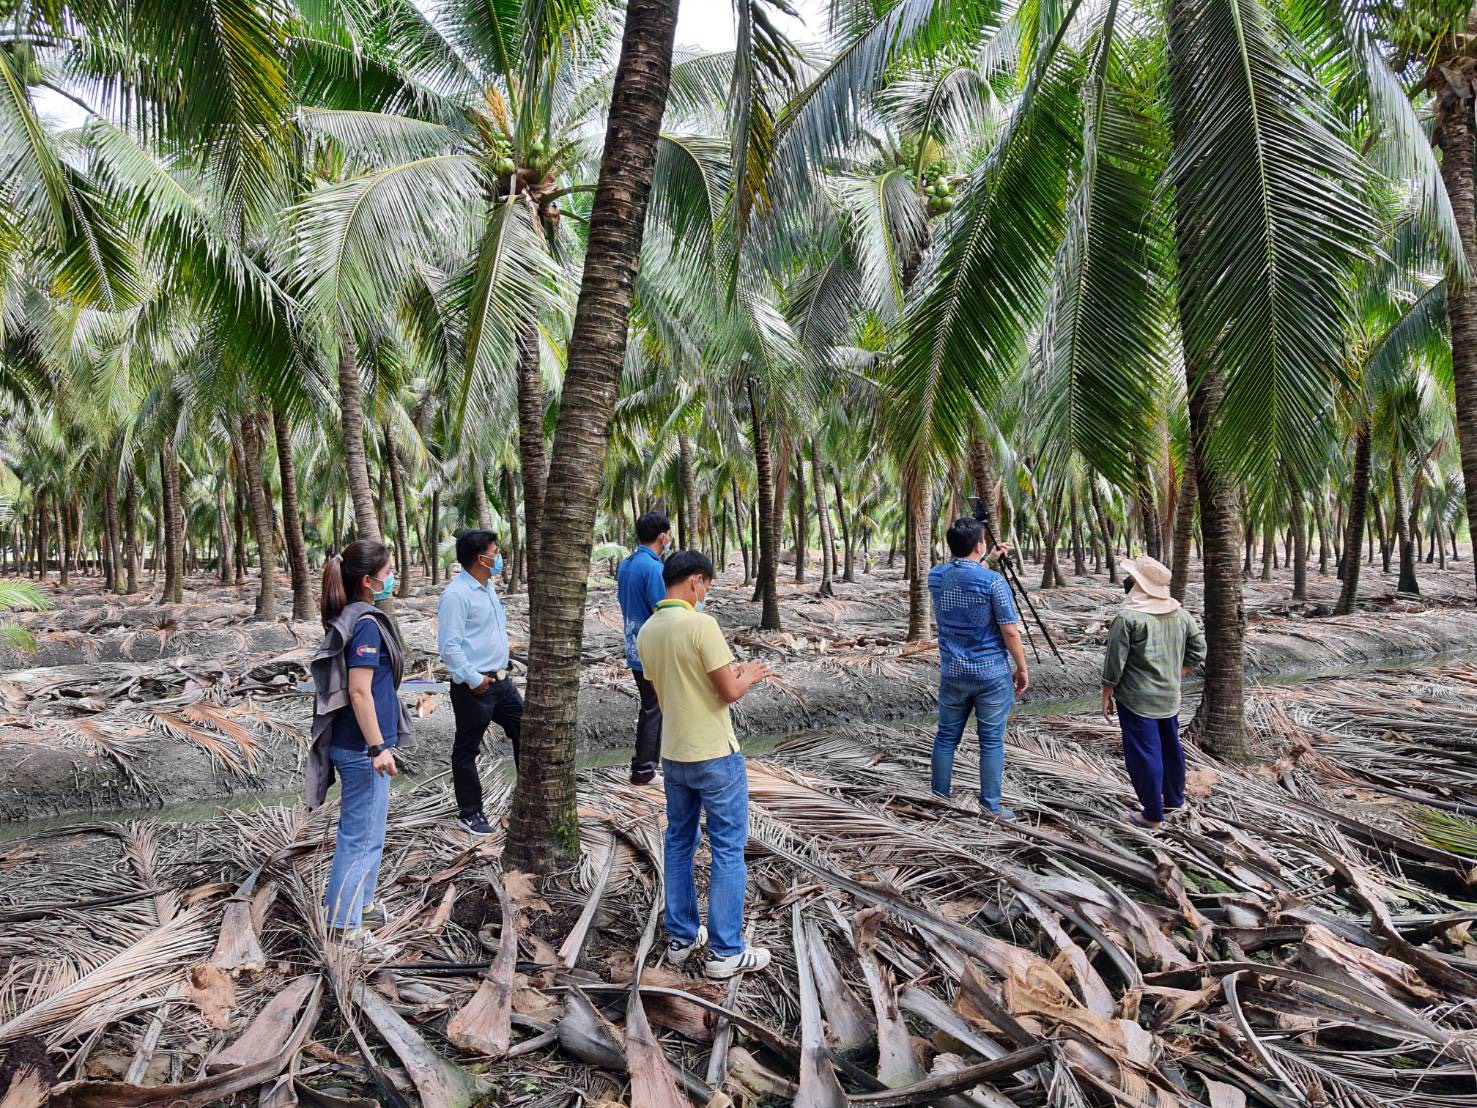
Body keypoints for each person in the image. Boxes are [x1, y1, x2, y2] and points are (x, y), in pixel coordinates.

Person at [636, 550, 773, 980]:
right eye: (707, 586)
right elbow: (727, 690)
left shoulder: (648, 630)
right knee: (728, 847)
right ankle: (725, 951)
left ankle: (681, 937)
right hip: (714, 751)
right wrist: (751, 673)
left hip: (674, 754)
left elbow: (667, 691)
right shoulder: (700, 625)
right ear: (696, 581)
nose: (706, 594)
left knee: (679, 840)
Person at [307, 539, 414, 957]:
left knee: (370, 832)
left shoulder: (351, 616)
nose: (392, 580)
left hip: (357, 745)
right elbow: (359, 691)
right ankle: (343, 927)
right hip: (360, 749)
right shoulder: (366, 623)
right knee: (360, 837)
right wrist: (377, 748)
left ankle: (362, 906)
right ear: (368, 581)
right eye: (388, 574)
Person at [928, 517, 1029, 820]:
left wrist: (989, 560)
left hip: (953, 672)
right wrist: (1021, 668)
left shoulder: (936, 576)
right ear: (978, 545)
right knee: (991, 741)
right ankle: (991, 805)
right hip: (991, 673)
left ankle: (939, 797)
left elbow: (965, 577)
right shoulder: (993, 583)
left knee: (946, 737)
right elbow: (1010, 630)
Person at [1101, 555, 1206, 829]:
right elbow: (1199, 650)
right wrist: (1176, 674)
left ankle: (1152, 814)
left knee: (1144, 754)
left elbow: (1115, 663)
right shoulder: (1181, 614)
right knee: (1171, 748)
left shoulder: (1127, 619)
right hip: (1169, 697)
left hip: (1136, 699)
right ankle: (1175, 800)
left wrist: (1106, 692)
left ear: (1138, 585)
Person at [438, 529, 521, 836]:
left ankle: (527, 799)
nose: (499, 556)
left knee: (525, 729)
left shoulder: (487, 587)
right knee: (466, 749)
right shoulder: (457, 595)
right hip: (475, 687)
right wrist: (474, 679)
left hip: (502, 682)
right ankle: (470, 813)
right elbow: (449, 645)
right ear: (480, 558)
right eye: (495, 552)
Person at [616, 511, 674, 786]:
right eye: (669, 533)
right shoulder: (653, 568)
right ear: (663, 535)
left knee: (652, 706)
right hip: (652, 647)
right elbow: (660, 608)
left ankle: (645, 765)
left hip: (633, 644)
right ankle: (644, 770)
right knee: (654, 707)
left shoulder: (627, 563)